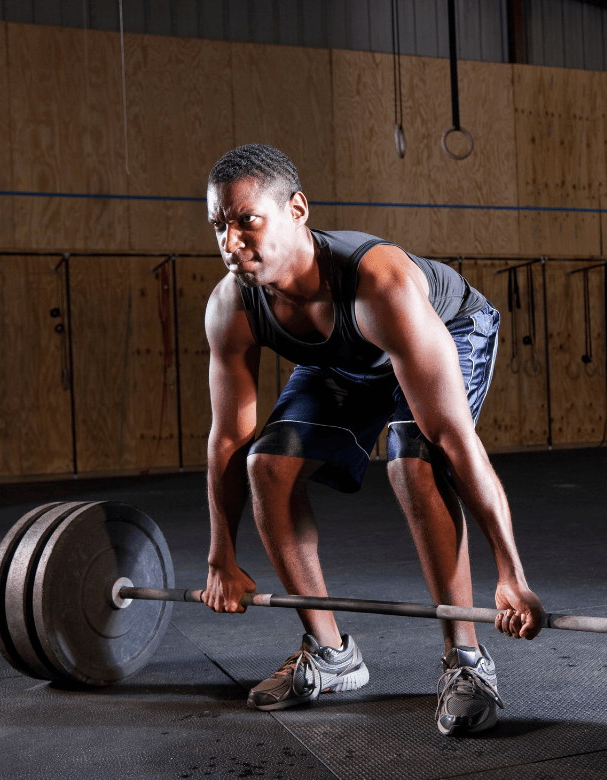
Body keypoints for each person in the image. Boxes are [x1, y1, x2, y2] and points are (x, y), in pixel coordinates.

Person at [201, 144, 543, 736]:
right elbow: (227, 439)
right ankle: (332, 656)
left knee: (414, 460)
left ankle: (466, 660)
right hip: (346, 358)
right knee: (266, 466)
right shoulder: (233, 305)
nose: (230, 242)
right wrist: (220, 557)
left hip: (442, 329)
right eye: (218, 226)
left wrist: (511, 573)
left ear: (297, 209)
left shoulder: (378, 283)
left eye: (245, 221)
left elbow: (455, 441)